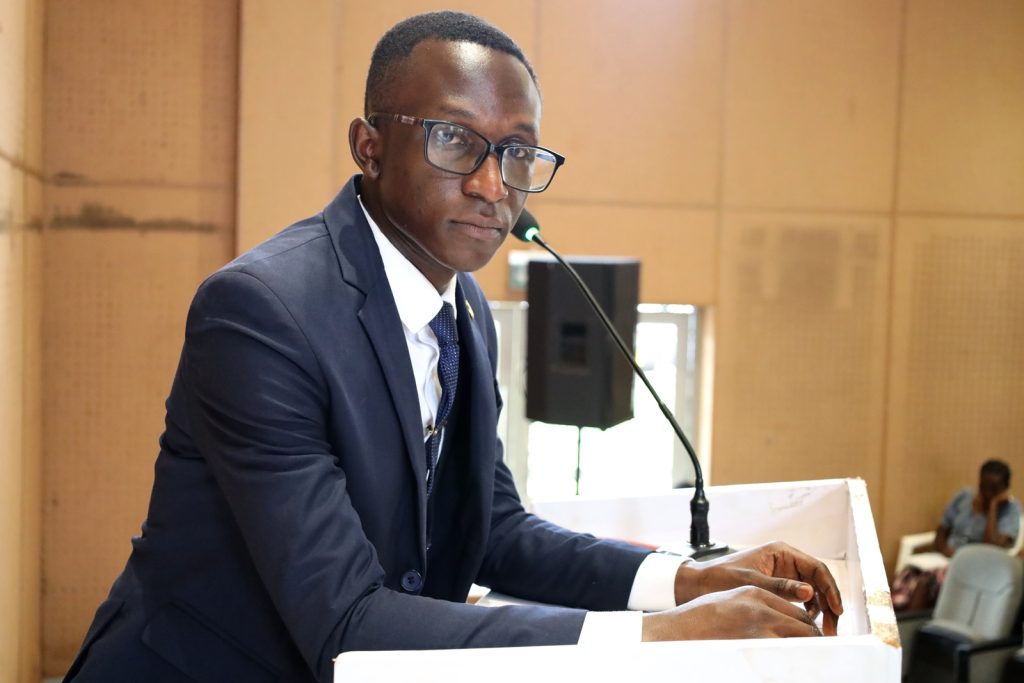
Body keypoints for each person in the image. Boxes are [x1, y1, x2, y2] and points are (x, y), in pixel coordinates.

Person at [65, 11, 842, 682]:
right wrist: (653, 636)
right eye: (455, 141)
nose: (493, 186)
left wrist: (689, 581)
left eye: (515, 152)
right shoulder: (261, 314)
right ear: (368, 146)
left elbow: (492, 528)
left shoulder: (463, 305)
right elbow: (345, 622)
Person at [892, 458, 1020, 611]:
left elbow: (991, 547)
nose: (986, 493)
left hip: (974, 565)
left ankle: (910, 628)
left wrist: (993, 507)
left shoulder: (1010, 510)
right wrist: (944, 549)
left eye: (993, 490)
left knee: (926, 582)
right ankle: (895, 622)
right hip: (945, 556)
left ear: (1005, 488)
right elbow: (942, 528)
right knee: (910, 575)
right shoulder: (964, 496)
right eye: (983, 487)